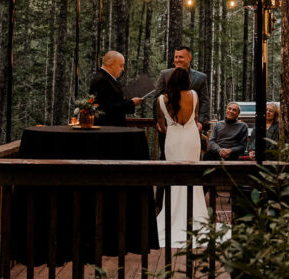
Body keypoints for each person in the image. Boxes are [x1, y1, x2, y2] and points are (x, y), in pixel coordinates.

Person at [155, 67, 208, 247]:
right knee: (193, 176)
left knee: (174, 176)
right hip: (192, 137)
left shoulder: (161, 99)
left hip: (174, 138)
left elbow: (161, 127)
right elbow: (195, 116)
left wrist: (170, 125)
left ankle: (172, 215)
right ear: (187, 80)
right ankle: (196, 216)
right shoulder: (194, 95)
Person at [89, 50, 143, 126]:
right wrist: (131, 103)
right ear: (111, 65)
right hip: (109, 129)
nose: (123, 69)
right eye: (121, 65)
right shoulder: (102, 80)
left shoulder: (105, 78)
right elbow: (108, 108)